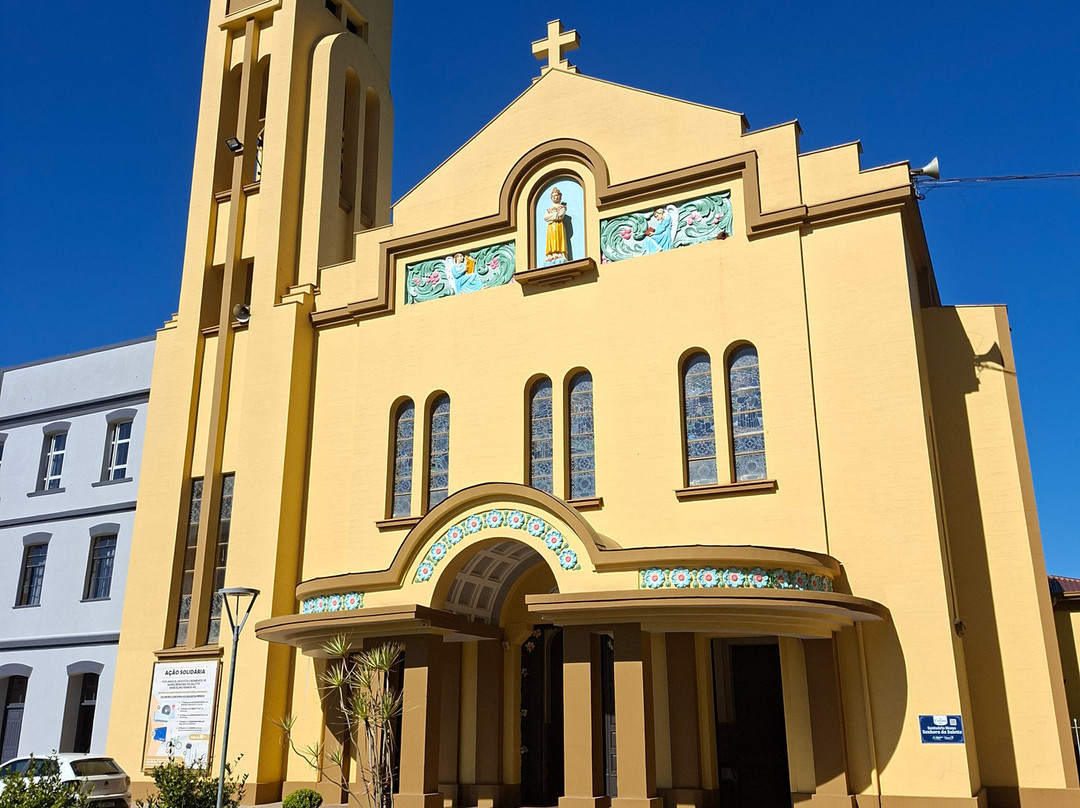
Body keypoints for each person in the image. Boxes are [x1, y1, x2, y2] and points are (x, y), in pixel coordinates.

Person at [543, 187, 569, 264]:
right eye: (553, 196)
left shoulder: (562, 207)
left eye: (556, 196)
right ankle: (551, 255)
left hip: (558, 226)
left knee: (559, 239)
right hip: (551, 227)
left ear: (560, 197)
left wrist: (553, 216)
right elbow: (546, 218)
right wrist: (555, 215)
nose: (555, 197)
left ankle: (559, 254)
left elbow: (560, 216)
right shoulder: (549, 209)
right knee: (551, 241)